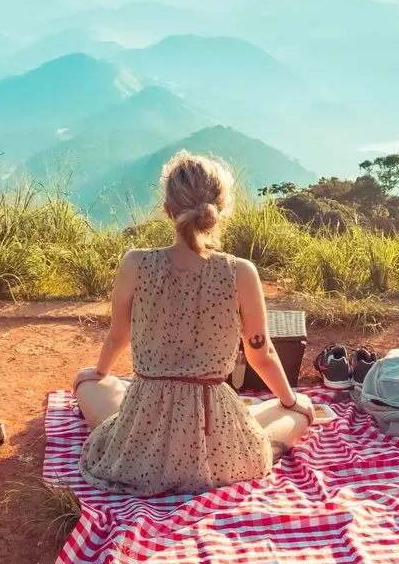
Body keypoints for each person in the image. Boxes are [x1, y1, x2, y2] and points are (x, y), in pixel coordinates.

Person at [72, 151, 313, 496]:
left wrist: (98, 371)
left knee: (89, 385)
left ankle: (120, 402)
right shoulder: (240, 271)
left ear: (167, 209)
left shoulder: (135, 264)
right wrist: (291, 400)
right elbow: (262, 354)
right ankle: (279, 413)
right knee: (296, 412)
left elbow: (118, 336)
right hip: (216, 437)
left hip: (144, 431)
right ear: (220, 210)